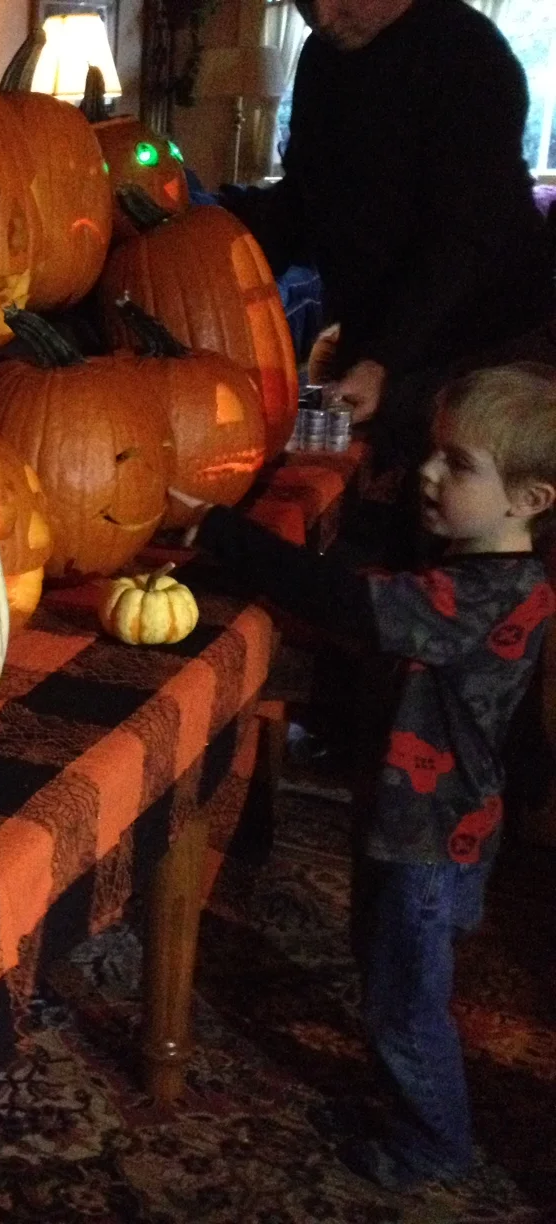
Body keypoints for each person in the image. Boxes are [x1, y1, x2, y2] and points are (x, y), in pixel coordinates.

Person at [172, 363, 556, 1190]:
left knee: (405, 1002)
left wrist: (220, 531)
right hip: (438, 822)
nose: (428, 473)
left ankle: (432, 1142)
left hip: (426, 835)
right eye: (433, 453)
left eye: (459, 464)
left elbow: (354, 606)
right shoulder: (493, 580)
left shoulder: (476, 598)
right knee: (390, 969)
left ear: (530, 500)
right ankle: (406, 1099)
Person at [223, 0, 554, 481]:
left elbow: (465, 236)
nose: (321, 17)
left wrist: (385, 360)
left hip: (480, 349)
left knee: (452, 500)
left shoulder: (468, 53)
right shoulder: (322, 57)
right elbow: (305, 196)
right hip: (379, 342)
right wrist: (221, 253)